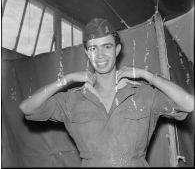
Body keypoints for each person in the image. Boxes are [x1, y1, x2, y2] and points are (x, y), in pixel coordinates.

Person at [19, 18, 194, 167]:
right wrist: (67, 79)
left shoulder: (142, 94)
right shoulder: (72, 100)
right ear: (88, 53)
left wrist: (147, 75)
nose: (100, 55)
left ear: (117, 50)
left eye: (107, 47)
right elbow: (28, 108)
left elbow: (188, 103)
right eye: (94, 48)